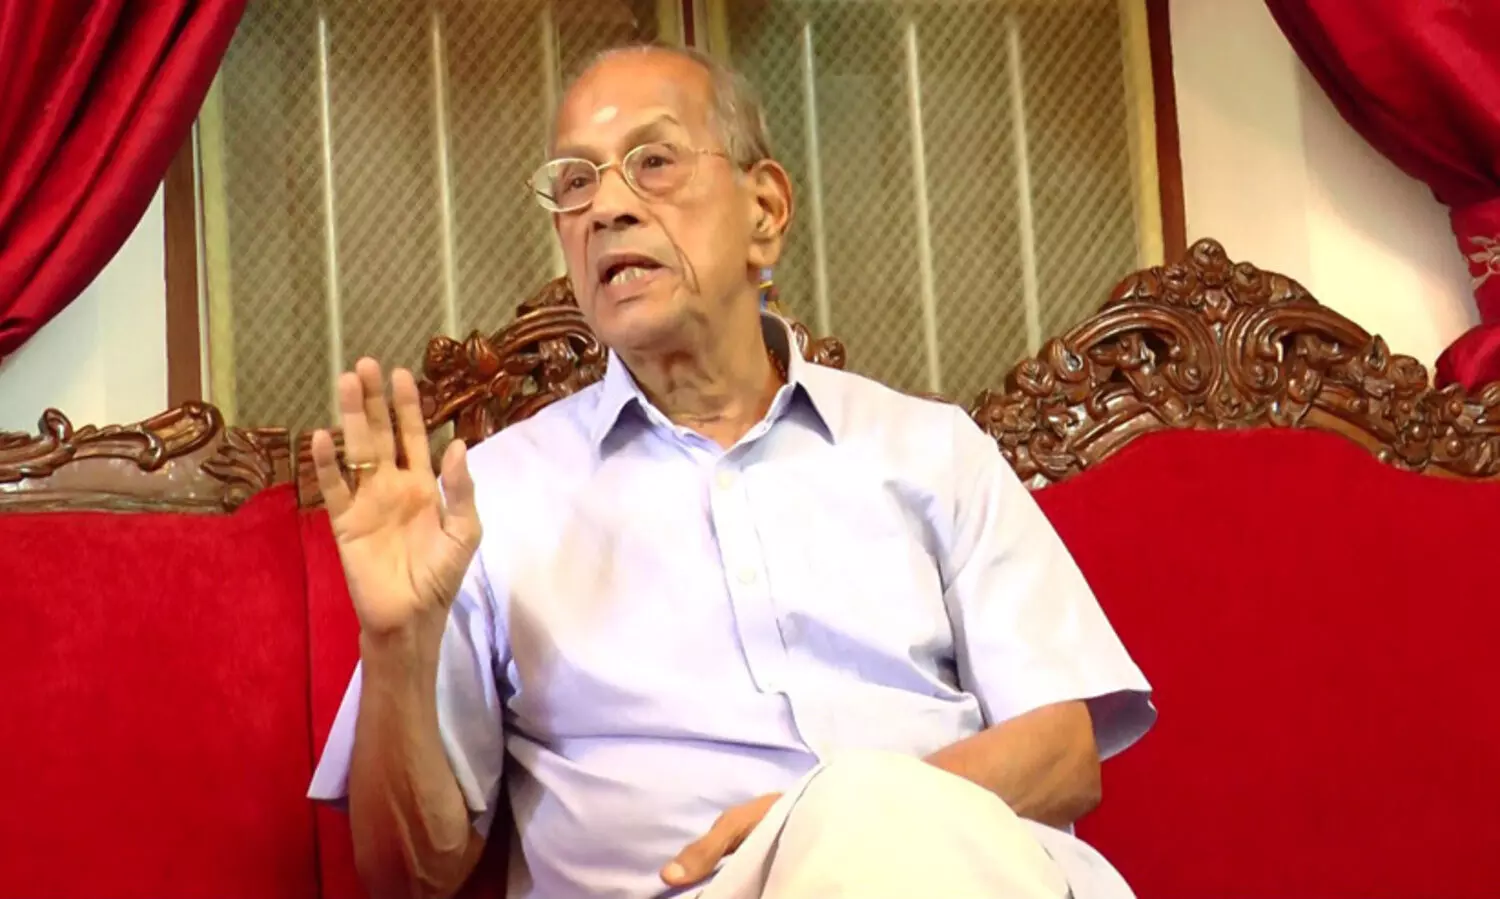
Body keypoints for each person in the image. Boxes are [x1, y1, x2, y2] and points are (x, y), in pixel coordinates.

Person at [308, 42, 1154, 899]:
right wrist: (396, 644)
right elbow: (405, 877)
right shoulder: (486, 502)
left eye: (653, 161)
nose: (606, 208)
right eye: (576, 181)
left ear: (765, 212)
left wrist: (831, 820)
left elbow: (1064, 752)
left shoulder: (932, 448)